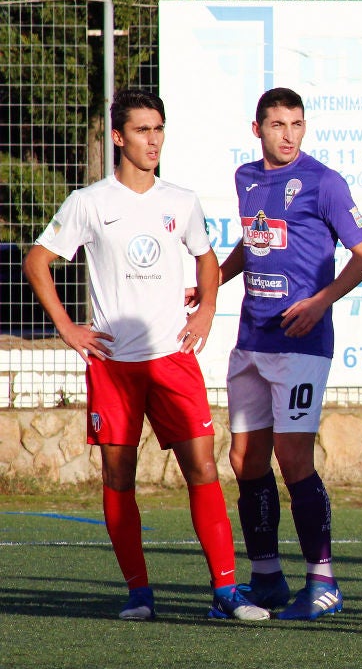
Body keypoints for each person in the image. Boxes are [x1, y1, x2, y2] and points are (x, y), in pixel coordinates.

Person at [22, 89, 268, 623]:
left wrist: (205, 311)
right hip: (113, 365)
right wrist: (67, 326)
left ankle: (226, 593)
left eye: (159, 129)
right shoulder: (90, 203)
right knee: (118, 476)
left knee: (203, 468)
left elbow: (206, 260)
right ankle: (139, 593)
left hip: (172, 362)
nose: (153, 140)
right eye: (142, 130)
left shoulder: (180, 200)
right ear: (118, 137)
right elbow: (37, 260)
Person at [220, 87, 362, 621]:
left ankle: (324, 581)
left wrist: (320, 301)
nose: (288, 134)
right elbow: (253, 241)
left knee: (293, 459)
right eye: (277, 124)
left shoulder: (323, 182)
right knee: (244, 460)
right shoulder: (245, 179)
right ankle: (266, 577)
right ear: (257, 128)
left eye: (297, 124)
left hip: (301, 344)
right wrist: (216, 280)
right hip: (251, 340)